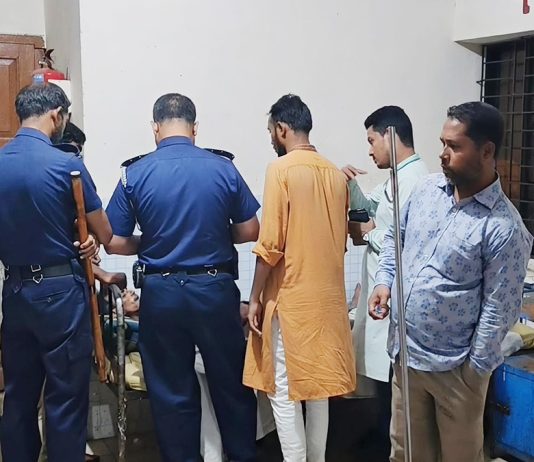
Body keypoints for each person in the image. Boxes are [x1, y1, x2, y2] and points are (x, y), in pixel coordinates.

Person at [368, 101, 534, 462]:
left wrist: (473, 372)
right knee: (406, 453)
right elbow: (395, 237)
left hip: (455, 371)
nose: (443, 154)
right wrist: (384, 281)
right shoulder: (427, 191)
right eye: (442, 143)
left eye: (454, 146)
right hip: (407, 358)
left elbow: (500, 309)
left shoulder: (503, 227)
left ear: (487, 151)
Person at [105, 93, 260, 462]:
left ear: (155, 128)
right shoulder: (223, 168)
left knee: (171, 394)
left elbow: (113, 240)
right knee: (232, 387)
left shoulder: (134, 174)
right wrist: (215, 234)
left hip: (162, 294)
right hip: (214, 289)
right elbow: (251, 229)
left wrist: (150, 242)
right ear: (195, 128)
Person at [0, 83, 111, 462]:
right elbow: (105, 232)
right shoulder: (67, 165)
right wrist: (86, 240)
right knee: (65, 398)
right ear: (56, 115)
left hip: (16, 291)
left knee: (18, 396)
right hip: (61, 292)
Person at [243, 94, 356, 462]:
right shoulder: (335, 175)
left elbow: (270, 245)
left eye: (270, 132)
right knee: (319, 388)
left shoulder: (281, 170)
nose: (271, 139)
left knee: (282, 387)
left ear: (282, 129)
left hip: (291, 301)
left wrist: (255, 297)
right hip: (328, 302)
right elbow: (340, 243)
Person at [342, 106, 428, 457]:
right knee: (382, 374)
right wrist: (350, 186)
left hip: (394, 294)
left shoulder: (415, 181)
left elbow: (405, 238)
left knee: (394, 377)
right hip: (380, 290)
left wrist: (372, 232)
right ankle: (380, 435)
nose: (369, 150)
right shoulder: (395, 178)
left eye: (371, 140)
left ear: (390, 135)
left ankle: (387, 443)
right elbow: (369, 212)